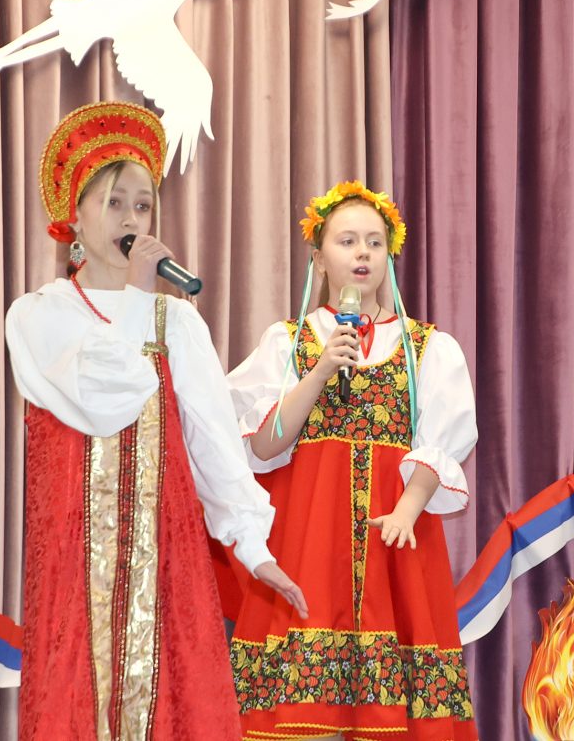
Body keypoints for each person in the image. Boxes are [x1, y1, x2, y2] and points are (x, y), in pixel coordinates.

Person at [5, 100, 307, 740]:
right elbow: (101, 396)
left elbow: (213, 444)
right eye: (115, 202)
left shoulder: (179, 323)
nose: (131, 219)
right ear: (74, 216)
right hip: (72, 564)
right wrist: (140, 295)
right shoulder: (37, 315)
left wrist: (253, 548)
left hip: (166, 558)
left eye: (143, 206)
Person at [224, 181, 478, 740]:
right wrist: (319, 371)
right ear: (318, 259)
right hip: (309, 544)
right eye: (347, 241)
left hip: (394, 545)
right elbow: (263, 445)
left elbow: (441, 439)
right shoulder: (288, 342)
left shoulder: (426, 348)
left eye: (374, 242)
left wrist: (409, 507)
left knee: (393, 714)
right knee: (302, 717)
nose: (363, 253)